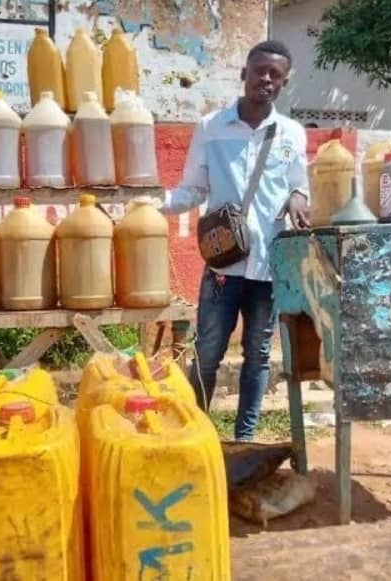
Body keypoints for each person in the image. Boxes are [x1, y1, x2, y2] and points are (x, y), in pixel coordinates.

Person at [137, 40, 310, 440]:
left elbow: (299, 188)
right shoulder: (211, 127)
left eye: (275, 75)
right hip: (222, 265)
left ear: (283, 83)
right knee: (208, 352)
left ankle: (244, 437)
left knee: (258, 356)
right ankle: (195, 433)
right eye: (260, 70)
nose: (266, 79)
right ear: (244, 73)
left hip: (268, 265)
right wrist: (153, 204)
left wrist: (300, 197)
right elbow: (192, 190)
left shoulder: (292, 134)